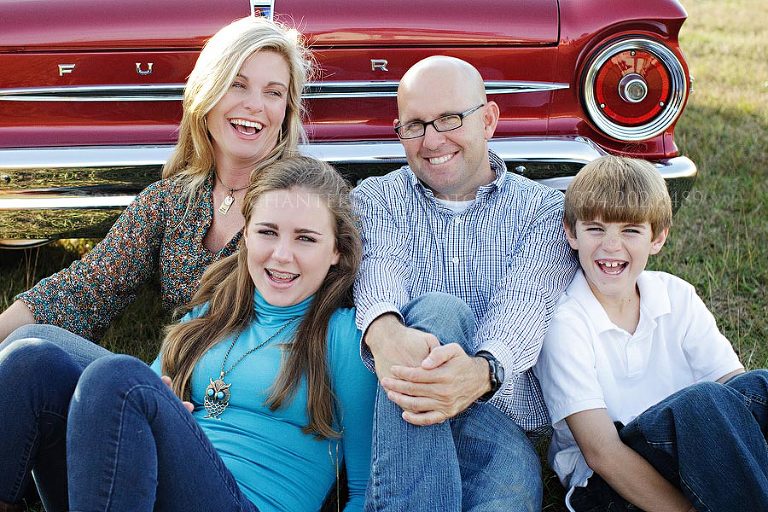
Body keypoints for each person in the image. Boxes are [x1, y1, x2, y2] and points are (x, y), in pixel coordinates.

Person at [0, 156, 377, 512]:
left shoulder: (345, 337)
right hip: (144, 490)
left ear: (337, 252)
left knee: (118, 379)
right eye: (267, 232)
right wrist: (160, 413)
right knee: (32, 362)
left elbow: (365, 487)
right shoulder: (211, 315)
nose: (281, 254)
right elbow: (132, 402)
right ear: (246, 237)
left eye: (305, 239)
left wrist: (142, 398)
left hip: (244, 502)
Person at [352, 55, 578, 511]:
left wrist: (479, 372)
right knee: (438, 312)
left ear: (489, 119)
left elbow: (526, 304)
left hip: (496, 413)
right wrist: (386, 332)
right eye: (414, 125)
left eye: (449, 119)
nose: (432, 140)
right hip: (401, 397)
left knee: (508, 497)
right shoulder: (377, 198)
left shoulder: (543, 212)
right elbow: (381, 271)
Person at [0, 15, 311, 343]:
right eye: (238, 84)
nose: (255, 105)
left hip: (268, 386)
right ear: (207, 96)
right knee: (32, 354)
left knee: (103, 373)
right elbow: (83, 291)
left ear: (287, 112)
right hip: (173, 380)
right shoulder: (170, 200)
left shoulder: (307, 202)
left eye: (273, 93)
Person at [534, 155, 768, 511]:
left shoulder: (675, 295)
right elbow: (602, 453)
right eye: (596, 228)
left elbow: (739, 394)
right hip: (609, 486)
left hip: (693, 453)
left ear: (657, 238)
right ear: (572, 233)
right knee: (701, 402)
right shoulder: (564, 320)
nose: (611, 246)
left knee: (761, 386)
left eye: (630, 230)